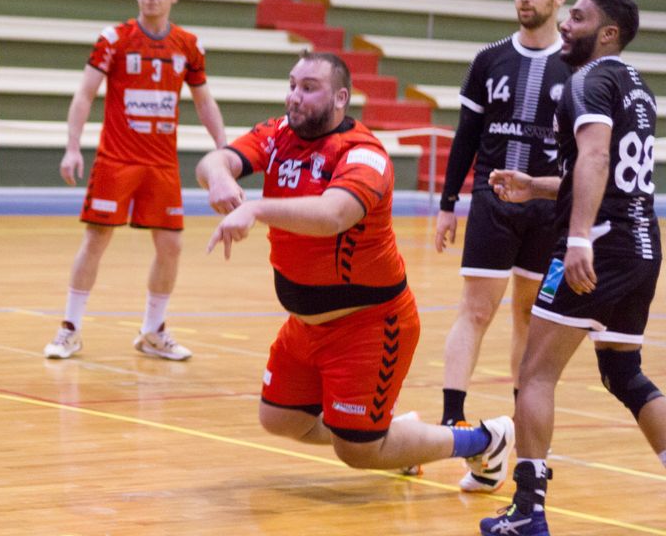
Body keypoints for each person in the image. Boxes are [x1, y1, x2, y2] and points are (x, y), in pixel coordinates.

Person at [197, 52, 514, 485]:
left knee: (357, 450)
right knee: (279, 418)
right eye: (292, 85)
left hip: (370, 325)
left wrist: (255, 208)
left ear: (340, 98)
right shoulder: (278, 133)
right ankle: (394, 435)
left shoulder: (364, 154)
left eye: (309, 88)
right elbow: (217, 160)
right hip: (306, 327)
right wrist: (219, 176)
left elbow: (333, 215)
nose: (295, 96)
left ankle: (483, 441)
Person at [483, 0, 665, 536]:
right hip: (640, 245)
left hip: (599, 245)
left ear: (607, 33)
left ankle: (527, 510)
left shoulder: (589, 80)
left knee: (534, 373)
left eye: (578, 18)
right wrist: (536, 185)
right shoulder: (636, 86)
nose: (565, 24)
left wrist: (579, 238)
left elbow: (596, 156)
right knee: (623, 372)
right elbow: (605, 172)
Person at [43, 0, 227, 361]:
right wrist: (72, 147)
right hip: (117, 159)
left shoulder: (188, 45)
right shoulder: (114, 39)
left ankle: (152, 331)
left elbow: (204, 101)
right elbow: (84, 94)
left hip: (161, 164)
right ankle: (69, 329)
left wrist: (224, 148)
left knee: (171, 246)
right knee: (96, 239)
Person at [430, 0, 570, 490]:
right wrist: (448, 204)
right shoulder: (488, 60)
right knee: (475, 310)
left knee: (529, 319)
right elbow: (465, 136)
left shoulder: (577, 69)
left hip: (548, 209)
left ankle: (523, 435)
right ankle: (452, 420)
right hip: (492, 203)